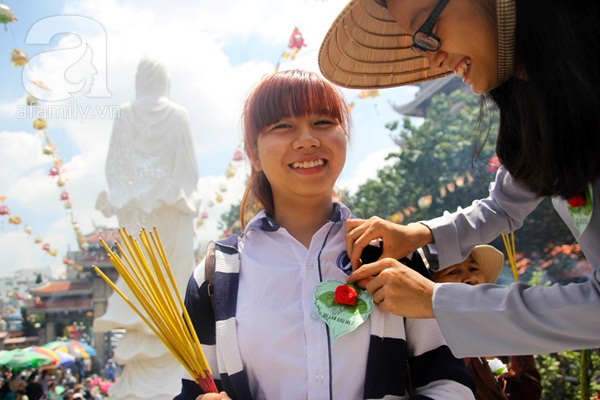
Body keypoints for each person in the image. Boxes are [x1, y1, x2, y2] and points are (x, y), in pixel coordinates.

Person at [318, 0, 600, 357]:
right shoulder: (552, 113)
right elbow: (503, 204)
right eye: (420, 44)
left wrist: (437, 300)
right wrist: (419, 233)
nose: (433, 59)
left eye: (428, 30)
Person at [175, 69, 475, 399]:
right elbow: (195, 390)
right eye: (282, 126)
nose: (307, 140)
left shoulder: (389, 254)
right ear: (253, 155)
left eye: (322, 122)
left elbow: (451, 383)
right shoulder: (216, 277)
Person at [94, 51, 199, 398]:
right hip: (171, 210)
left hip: (139, 214)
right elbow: (190, 170)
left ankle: (166, 368)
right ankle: (167, 370)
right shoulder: (178, 114)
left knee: (146, 279)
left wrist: (130, 195)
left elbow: (114, 165)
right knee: (171, 283)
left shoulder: (125, 114)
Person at [424, 244, 542, 400]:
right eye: (453, 272)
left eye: (473, 269)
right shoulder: (430, 340)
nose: (470, 278)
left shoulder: (476, 343)